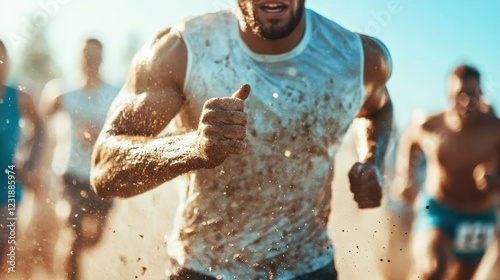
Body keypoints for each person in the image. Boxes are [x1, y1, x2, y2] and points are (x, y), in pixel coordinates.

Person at [91, 1, 394, 279]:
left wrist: (373, 160)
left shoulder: (358, 58)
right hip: (203, 268)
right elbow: (105, 169)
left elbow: (378, 108)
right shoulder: (182, 50)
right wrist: (193, 148)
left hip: (309, 267)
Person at [395, 64, 500, 279]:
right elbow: (410, 139)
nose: (466, 103)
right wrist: (405, 176)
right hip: (439, 212)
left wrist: (497, 178)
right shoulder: (431, 125)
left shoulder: (494, 129)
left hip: (479, 218)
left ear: (481, 95)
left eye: (472, 95)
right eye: (459, 95)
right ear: (448, 95)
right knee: (432, 271)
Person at [46, 38, 119, 280]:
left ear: (102, 59)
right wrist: (49, 101)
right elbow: (41, 114)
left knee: (94, 238)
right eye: (86, 55)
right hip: (69, 172)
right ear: (79, 59)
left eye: (95, 56)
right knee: (73, 230)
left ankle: (66, 253)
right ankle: (68, 269)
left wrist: (102, 136)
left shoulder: (114, 94)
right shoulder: (64, 90)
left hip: (101, 175)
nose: (90, 61)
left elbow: (125, 130)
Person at [0, 40, 44, 274]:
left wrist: (30, 163)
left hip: (7, 185)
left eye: (1, 58)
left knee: (4, 255)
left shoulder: (19, 98)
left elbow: (40, 129)